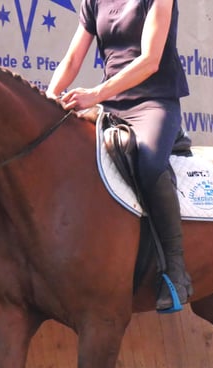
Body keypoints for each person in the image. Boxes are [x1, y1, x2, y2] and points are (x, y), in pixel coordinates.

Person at [46, 0, 192, 312]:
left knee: (150, 164)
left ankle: (175, 271)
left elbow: (151, 60)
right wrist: (46, 101)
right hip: (111, 104)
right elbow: (72, 59)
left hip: (153, 102)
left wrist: (96, 94)